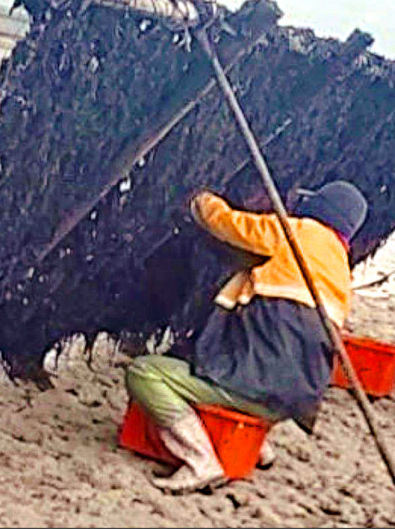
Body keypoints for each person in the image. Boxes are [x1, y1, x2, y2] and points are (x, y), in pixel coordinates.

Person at [124, 181, 368, 494]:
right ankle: (256, 445)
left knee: (146, 372)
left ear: (319, 209)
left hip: (255, 385)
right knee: (256, 361)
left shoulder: (295, 232)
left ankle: (200, 460)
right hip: (293, 400)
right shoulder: (338, 269)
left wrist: (201, 199)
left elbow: (229, 225)